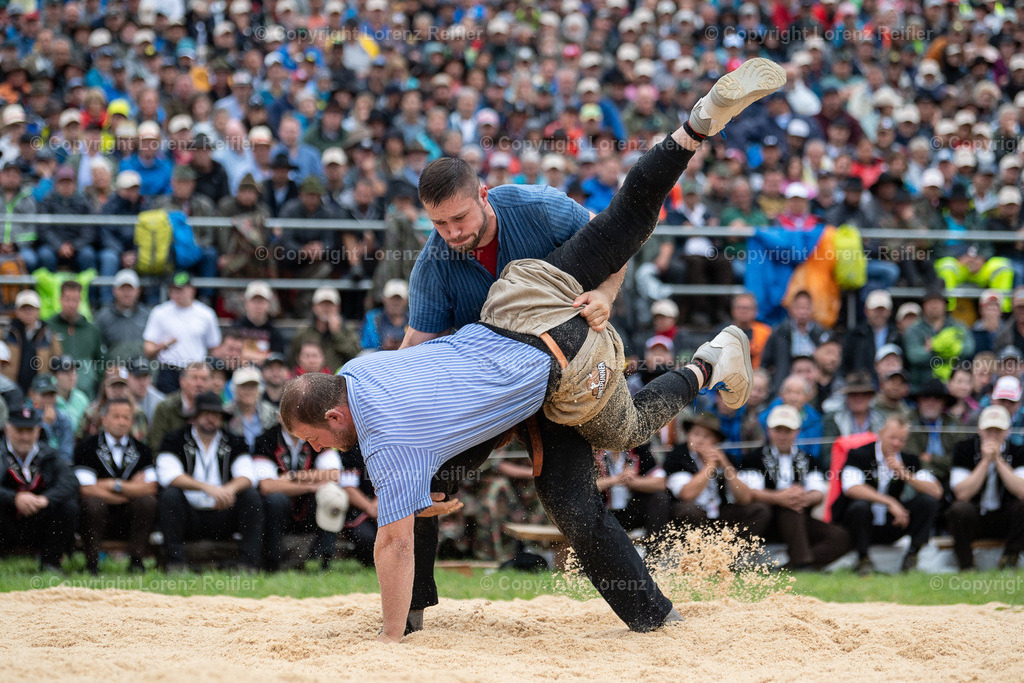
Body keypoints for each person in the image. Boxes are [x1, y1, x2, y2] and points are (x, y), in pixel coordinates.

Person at [280, 58, 786, 642]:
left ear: (484, 195)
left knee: (576, 490)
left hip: (553, 321)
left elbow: (610, 243)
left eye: (459, 218)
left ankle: (696, 126)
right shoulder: (431, 266)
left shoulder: (533, 206)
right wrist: (424, 462)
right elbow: (411, 359)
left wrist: (603, 297)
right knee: (425, 483)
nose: (451, 234)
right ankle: (410, 618)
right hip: (492, 376)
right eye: (438, 225)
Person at [155, 392, 263, 572]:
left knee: (251, 496)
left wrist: (228, 490)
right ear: (195, 416)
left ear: (221, 418)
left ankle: (248, 565)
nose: (211, 418)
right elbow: (168, 475)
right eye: (206, 413)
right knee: (170, 496)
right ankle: (175, 564)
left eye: (215, 414)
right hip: (189, 515)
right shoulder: (174, 440)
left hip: (223, 512)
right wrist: (208, 488)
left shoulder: (234, 441)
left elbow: (248, 475)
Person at [739, 405, 851, 570]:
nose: (782, 436)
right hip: (767, 521)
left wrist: (801, 498)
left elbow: (818, 492)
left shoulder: (808, 459)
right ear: (769, 430)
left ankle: (794, 565)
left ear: (797, 431)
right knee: (788, 510)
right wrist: (780, 498)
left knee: (840, 537)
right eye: (778, 430)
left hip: (799, 519)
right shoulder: (753, 459)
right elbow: (751, 492)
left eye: (788, 430)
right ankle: (801, 563)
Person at [832, 415, 943, 576]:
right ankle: (863, 560)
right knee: (859, 506)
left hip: (893, 524)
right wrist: (889, 502)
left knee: (928, 502)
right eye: (892, 437)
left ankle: (911, 557)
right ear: (881, 433)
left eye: (902, 440)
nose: (896, 443)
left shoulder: (908, 459)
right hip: (860, 526)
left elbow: (937, 491)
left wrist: (904, 474)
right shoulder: (859, 454)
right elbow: (851, 487)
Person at [73, 397, 158, 574]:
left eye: (126, 417)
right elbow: (86, 489)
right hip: (97, 516)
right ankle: (92, 564)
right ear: (104, 419)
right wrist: (131, 490)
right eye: (116, 416)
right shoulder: (87, 447)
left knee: (147, 502)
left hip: (129, 517)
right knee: (92, 503)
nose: (122, 422)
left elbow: (150, 488)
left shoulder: (143, 450)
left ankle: (137, 562)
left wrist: (114, 485)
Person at [253, 416, 343, 571]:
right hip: (280, 511)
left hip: (308, 510)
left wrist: (295, 477)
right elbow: (267, 486)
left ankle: (322, 560)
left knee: (332, 494)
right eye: (289, 413)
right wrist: (310, 486)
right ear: (280, 417)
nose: (296, 419)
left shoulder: (317, 435)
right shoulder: (266, 439)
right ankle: (272, 563)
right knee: (275, 499)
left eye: (299, 413)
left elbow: (334, 475)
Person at [0, 404, 79, 572]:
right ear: (7, 430)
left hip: (37, 523)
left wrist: (46, 499)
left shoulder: (49, 454)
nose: (25, 437)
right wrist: (15, 498)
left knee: (68, 507)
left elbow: (70, 481)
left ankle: (51, 563)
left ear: (37, 431)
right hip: (6, 523)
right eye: (20, 431)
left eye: (30, 431)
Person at [664, 412, 770, 537]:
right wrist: (710, 466)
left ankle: (732, 552)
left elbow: (745, 498)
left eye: (707, 436)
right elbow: (687, 494)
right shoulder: (678, 456)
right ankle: (699, 551)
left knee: (759, 510)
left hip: (721, 512)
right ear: (688, 435)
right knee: (687, 510)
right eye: (696, 434)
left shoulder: (727, 458)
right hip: (695, 515)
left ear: (716, 440)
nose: (700, 440)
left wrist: (726, 466)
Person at [947, 406, 1024, 571]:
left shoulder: (1018, 452)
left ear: (1007, 431)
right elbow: (962, 493)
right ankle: (966, 565)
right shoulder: (964, 449)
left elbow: (1021, 491)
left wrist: (998, 461)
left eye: (998, 430)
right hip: (976, 518)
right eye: (989, 430)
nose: (993, 435)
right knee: (958, 509)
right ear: (980, 430)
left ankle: (1010, 560)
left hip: (1005, 518)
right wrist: (984, 462)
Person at [143, 272, 222, 394]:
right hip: (168, 370)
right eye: (173, 290)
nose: (176, 294)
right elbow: (148, 349)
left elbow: (214, 348)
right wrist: (163, 346)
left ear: (192, 290)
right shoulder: (159, 312)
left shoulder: (206, 314)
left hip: (196, 371)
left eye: (180, 290)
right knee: (167, 407)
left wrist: (209, 373)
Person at [47, 281, 102, 398]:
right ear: (60, 299)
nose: (71, 304)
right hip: (57, 395)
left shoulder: (92, 330)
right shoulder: (49, 327)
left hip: (87, 394)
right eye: (67, 299)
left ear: (80, 301)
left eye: (75, 300)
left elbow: (101, 362)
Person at [288, 287, 362, 372]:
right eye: (322, 304)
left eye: (330, 304)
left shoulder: (347, 331)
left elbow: (355, 358)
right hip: (310, 380)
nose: (326, 308)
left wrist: (338, 334)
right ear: (314, 307)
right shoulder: (304, 332)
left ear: (338, 308)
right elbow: (292, 361)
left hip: (338, 380)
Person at [3, 290, 61, 395]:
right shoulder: (6, 333)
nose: (28, 312)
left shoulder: (49, 335)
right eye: (24, 308)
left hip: (40, 390)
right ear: (17, 311)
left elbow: (57, 362)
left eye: (31, 309)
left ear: (38, 311)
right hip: (11, 389)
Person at [148, 362, 211, 451]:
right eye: (194, 378)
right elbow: (156, 445)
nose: (199, 384)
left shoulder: (214, 409)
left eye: (204, 379)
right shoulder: (165, 408)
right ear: (182, 381)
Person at [94, 269, 150, 365]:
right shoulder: (103, 317)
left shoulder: (148, 316)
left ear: (138, 290)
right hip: (114, 373)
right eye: (122, 288)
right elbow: (96, 349)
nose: (126, 293)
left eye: (130, 289)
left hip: (141, 373)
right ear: (114, 290)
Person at [232, 281, 285, 366]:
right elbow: (231, 355)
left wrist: (245, 354)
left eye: (261, 301)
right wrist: (264, 357)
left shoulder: (275, 332)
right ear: (246, 303)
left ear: (268, 304)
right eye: (254, 301)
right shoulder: (236, 327)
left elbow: (276, 359)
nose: (258, 305)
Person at [227, 366, 278, 452]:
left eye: (253, 386)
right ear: (235, 389)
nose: (248, 391)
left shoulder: (272, 412)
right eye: (243, 386)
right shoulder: (227, 413)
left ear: (259, 389)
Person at [361, 279, 410, 352]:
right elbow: (366, 345)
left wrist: (404, 345)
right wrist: (382, 346)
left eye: (399, 299)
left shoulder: (413, 320)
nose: (395, 303)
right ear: (384, 299)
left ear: (406, 301)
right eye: (392, 299)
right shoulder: (372, 318)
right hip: (378, 357)